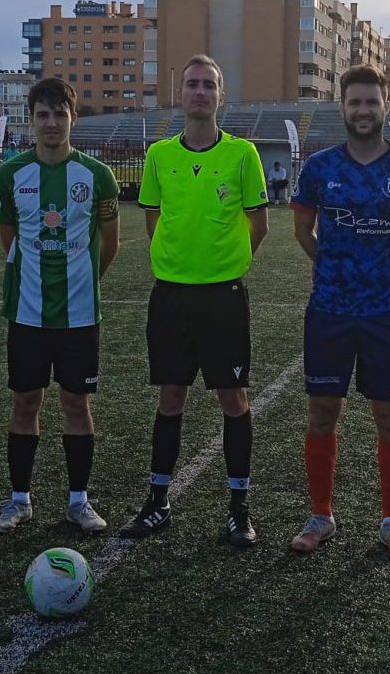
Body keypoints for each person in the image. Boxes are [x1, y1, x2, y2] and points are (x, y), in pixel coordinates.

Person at [120, 54, 270, 547]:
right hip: (170, 296)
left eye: (209, 84)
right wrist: (179, 262)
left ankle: (239, 507)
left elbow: (258, 225)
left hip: (224, 297)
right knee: (170, 396)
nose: (200, 92)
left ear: (220, 96)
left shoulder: (243, 155)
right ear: (179, 95)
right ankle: (158, 501)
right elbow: (152, 220)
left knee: (233, 398)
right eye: (192, 84)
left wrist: (223, 263)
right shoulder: (160, 156)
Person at [288, 65, 390, 561]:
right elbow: (302, 233)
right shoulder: (319, 169)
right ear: (343, 108)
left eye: (372, 102)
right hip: (329, 310)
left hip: (388, 314)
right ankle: (320, 516)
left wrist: (387, 271)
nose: (364, 110)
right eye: (355, 102)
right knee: (321, 413)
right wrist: (338, 269)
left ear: (385, 107)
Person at [0, 78, 121, 535]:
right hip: (26, 314)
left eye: (59, 114)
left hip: (81, 316)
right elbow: (9, 241)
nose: (50, 123)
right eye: (42, 115)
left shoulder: (97, 176)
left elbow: (110, 244)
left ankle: (78, 502)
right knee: (25, 402)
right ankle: (19, 499)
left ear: (72, 119)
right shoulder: (10, 174)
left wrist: (83, 282)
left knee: (76, 404)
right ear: (31, 119)